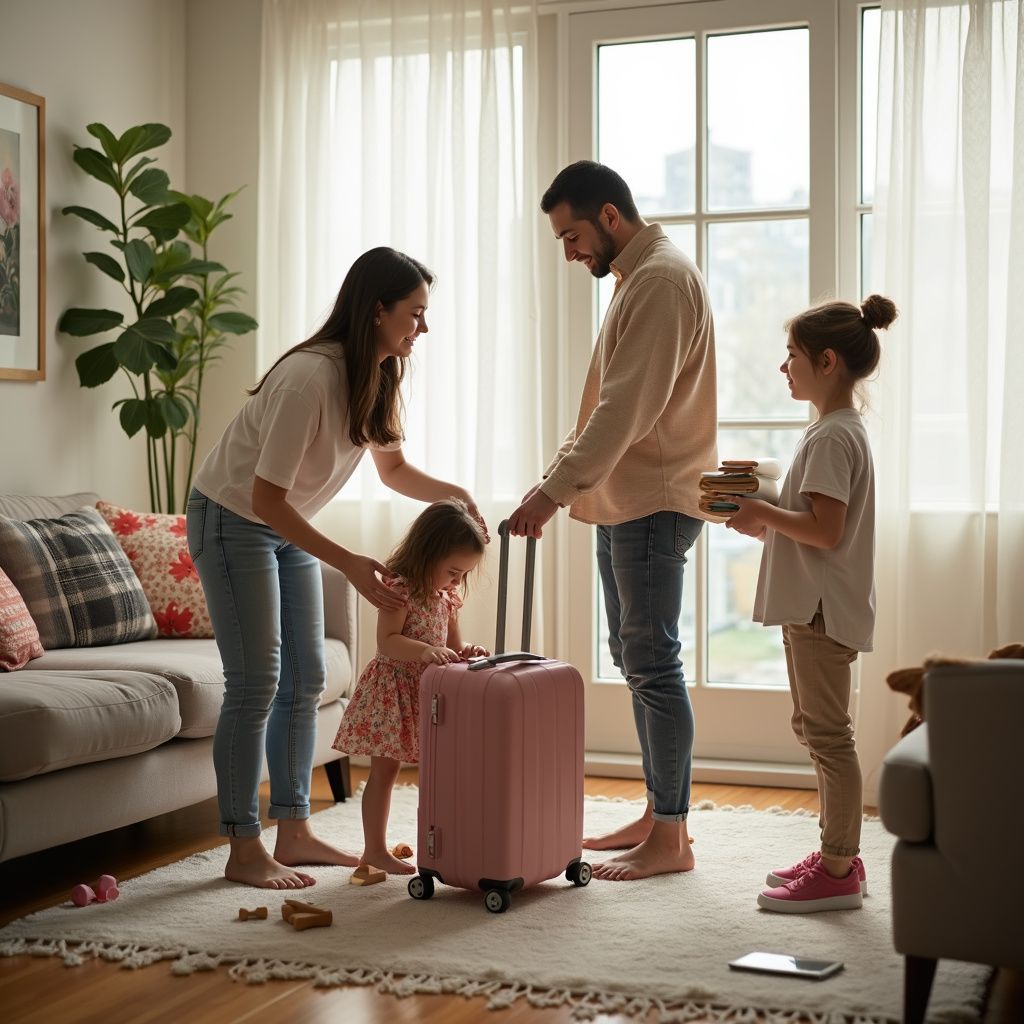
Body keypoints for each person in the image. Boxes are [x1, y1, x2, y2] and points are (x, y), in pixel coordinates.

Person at [186, 247, 487, 890]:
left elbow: (395, 469)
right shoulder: (309, 377)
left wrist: (457, 496)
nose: (422, 329)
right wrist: (348, 561)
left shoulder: (376, 373)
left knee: (307, 676)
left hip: (282, 520)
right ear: (377, 309)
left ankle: (293, 832)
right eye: (415, 313)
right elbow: (265, 497)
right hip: (235, 516)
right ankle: (243, 845)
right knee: (256, 680)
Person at [507, 160, 718, 881]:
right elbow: (607, 406)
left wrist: (551, 493)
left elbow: (624, 411)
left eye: (571, 236)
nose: (568, 253)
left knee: (651, 661)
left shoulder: (658, 280)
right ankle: (663, 810)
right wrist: (556, 483)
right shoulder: (641, 276)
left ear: (609, 216)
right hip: (628, 500)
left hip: (654, 502)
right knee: (636, 659)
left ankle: (670, 836)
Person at [725, 294, 897, 913]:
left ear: (826, 361)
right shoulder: (834, 431)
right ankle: (836, 852)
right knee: (817, 729)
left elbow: (825, 532)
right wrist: (766, 522)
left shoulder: (831, 437)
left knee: (828, 736)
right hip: (820, 605)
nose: (783, 367)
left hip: (820, 610)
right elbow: (820, 525)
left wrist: (762, 512)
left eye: (792, 355)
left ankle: (838, 867)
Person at [333, 499, 489, 874]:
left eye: (462, 575)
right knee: (384, 773)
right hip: (392, 691)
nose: (456, 581)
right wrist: (425, 651)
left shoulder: (447, 598)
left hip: (429, 695)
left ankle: (441, 843)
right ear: (428, 553)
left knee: (437, 772)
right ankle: (374, 849)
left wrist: (465, 651)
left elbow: (451, 647)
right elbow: (387, 641)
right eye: (452, 571)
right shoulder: (399, 589)